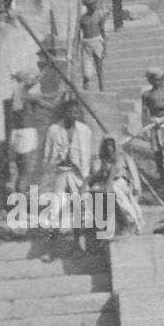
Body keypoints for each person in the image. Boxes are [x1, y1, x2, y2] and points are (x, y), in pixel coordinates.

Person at [43, 98, 94, 238]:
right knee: (56, 205)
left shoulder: (84, 130)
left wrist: (85, 178)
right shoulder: (53, 130)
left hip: (78, 174)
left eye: (75, 112)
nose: (72, 115)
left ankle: (79, 239)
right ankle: (54, 236)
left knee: (80, 205)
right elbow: (47, 154)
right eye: (69, 112)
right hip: (60, 172)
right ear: (64, 112)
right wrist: (49, 173)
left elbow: (88, 155)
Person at [90, 136, 144, 235]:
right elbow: (99, 175)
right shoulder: (104, 160)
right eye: (107, 145)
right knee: (95, 191)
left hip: (121, 182)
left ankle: (131, 218)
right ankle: (102, 228)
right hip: (108, 183)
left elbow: (133, 172)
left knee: (115, 190)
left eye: (111, 145)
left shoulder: (123, 156)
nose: (109, 147)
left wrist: (137, 187)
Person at [140, 67, 164, 180]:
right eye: (156, 80)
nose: (159, 82)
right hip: (154, 122)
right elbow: (144, 112)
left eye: (161, 79)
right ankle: (161, 173)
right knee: (157, 150)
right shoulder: (147, 95)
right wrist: (146, 125)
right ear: (151, 81)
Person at [77, 0, 107, 91]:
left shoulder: (99, 15)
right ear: (87, 6)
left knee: (99, 68)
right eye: (92, 4)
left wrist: (104, 47)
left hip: (97, 42)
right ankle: (86, 91)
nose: (94, 6)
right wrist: (78, 47)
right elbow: (78, 34)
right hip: (86, 44)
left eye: (95, 4)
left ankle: (102, 90)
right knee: (86, 73)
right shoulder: (82, 18)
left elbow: (102, 31)